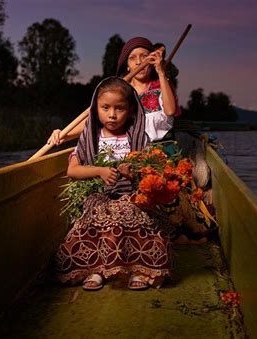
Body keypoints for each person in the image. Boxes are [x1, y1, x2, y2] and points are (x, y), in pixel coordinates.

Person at [55, 77, 172, 291]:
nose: (112, 114)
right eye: (105, 108)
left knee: (131, 211)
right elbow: (73, 170)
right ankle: (96, 269)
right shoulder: (90, 137)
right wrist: (99, 171)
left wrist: (132, 172)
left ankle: (139, 269)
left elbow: (147, 171)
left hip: (130, 196)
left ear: (130, 111)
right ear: (95, 109)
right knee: (99, 213)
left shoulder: (137, 137)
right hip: (99, 196)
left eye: (119, 108)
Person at [47, 37, 180, 146]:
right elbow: (96, 117)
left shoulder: (161, 85)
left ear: (151, 62)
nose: (139, 62)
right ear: (127, 65)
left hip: (164, 149)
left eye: (144, 56)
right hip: (133, 152)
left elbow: (170, 111)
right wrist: (64, 135)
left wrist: (161, 72)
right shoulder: (121, 91)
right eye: (132, 58)